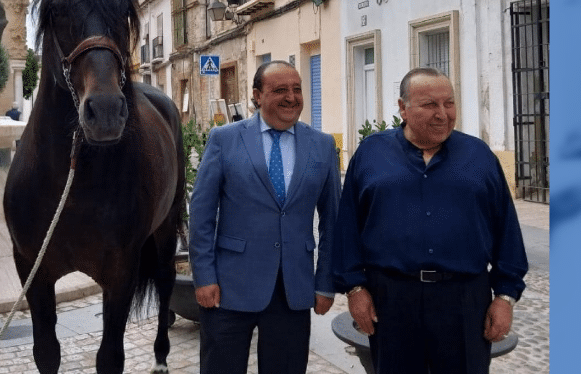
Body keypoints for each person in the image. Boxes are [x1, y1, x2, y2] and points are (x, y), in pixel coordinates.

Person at [332, 67, 528, 374]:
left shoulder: (479, 156)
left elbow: (507, 231)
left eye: (449, 103)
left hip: (464, 300)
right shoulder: (371, 154)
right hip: (392, 301)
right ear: (403, 109)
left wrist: (505, 297)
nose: (442, 114)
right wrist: (355, 289)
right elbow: (347, 230)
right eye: (430, 105)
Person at [188, 60, 340, 374]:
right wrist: (204, 276)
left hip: (292, 290)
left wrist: (325, 282)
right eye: (280, 90)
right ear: (257, 95)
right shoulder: (225, 139)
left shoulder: (323, 146)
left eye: (297, 89)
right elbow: (202, 214)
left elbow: (333, 222)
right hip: (228, 289)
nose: (292, 97)